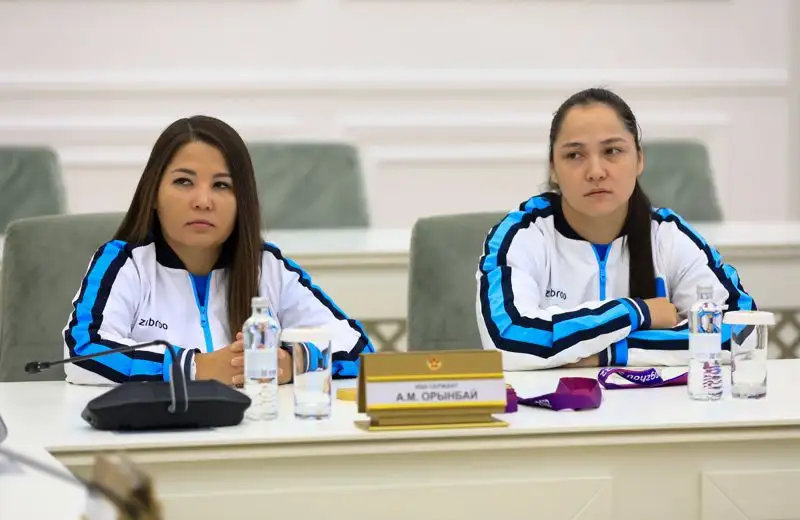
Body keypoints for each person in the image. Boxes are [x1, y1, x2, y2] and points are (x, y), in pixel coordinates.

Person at [63, 115, 374, 385]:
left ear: (242, 202)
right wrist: (195, 367)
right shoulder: (125, 263)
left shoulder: (266, 267)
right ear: (153, 193)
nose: (203, 201)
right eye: (184, 182)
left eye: (222, 185)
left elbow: (360, 351)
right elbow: (83, 352)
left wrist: (295, 363)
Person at [475, 87, 756, 370]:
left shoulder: (669, 237)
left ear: (639, 159)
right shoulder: (521, 235)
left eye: (612, 151)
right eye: (575, 155)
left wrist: (610, 354)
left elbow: (741, 331)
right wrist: (638, 311)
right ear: (553, 169)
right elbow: (507, 339)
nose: (596, 171)